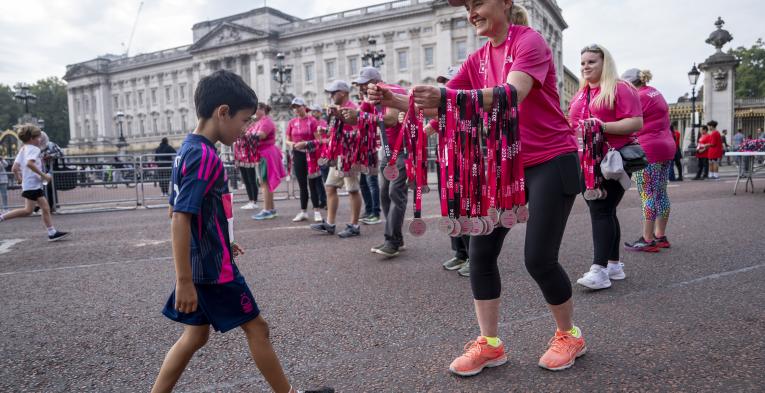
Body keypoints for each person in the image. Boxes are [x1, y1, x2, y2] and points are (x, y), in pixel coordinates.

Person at [371, 0, 586, 374]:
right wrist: (398, 100)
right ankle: (489, 344)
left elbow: (512, 94)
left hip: (552, 159)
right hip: (506, 164)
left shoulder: (529, 41)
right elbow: (442, 106)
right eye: (466, 5)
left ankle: (569, 334)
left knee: (538, 258)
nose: (470, 11)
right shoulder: (477, 59)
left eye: (477, 1)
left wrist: (446, 98)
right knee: (480, 253)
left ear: (505, 3)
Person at [151, 70, 332, 393]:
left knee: (195, 336)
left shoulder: (187, 150)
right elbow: (180, 217)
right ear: (223, 112)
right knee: (257, 328)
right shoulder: (206, 156)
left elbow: (179, 209)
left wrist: (224, 240)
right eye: (244, 120)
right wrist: (184, 281)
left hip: (204, 261)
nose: (245, 128)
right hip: (212, 270)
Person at [569, 45, 643, 289]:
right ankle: (613, 265)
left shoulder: (620, 88)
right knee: (606, 210)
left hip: (612, 159)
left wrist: (602, 126)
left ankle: (599, 269)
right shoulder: (581, 93)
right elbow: (573, 126)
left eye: (591, 62)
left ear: (605, 63)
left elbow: (635, 122)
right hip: (585, 160)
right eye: (582, 63)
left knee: (600, 210)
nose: (585, 67)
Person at [345, 66, 406, 255]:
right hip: (387, 151)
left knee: (395, 194)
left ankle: (392, 242)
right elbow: (356, 120)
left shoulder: (392, 91)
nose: (361, 88)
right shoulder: (370, 99)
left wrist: (361, 115)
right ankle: (395, 239)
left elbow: (391, 120)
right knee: (384, 194)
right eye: (359, 85)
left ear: (375, 82)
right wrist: (343, 115)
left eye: (364, 84)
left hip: (403, 149)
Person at [621, 69, 675, 252]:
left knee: (647, 194)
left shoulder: (638, 97)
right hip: (666, 146)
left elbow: (626, 122)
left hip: (648, 149)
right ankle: (660, 236)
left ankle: (647, 239)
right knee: (661, 192)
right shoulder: (654, 92)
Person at [429, 65, 472, 276]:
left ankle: (474, 255)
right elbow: (426, 129)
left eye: (449, 82)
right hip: (444, 162)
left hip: (464, 163)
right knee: (450, 208)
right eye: (444, 83)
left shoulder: (469, 106)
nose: (444, 87)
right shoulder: (442, 112)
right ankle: (460, 252)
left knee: (465, 208)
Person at [310, 80, 364, 239]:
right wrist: (325, 130)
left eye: (333, 93)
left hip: (349, 154)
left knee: (353, 190)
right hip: (338, 154)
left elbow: (357, 130)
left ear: (343, 93)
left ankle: (354, 226)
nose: (331, 96)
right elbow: (338, 131)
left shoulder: (352, 108)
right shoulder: (337, 109)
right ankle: (330, 223)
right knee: (330, 187)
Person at [0, 124, 69, 241]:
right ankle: (51, 232)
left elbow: (14, 168)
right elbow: (29, 164)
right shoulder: (34, 149)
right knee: (29, 211)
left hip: (30, 185)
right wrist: (44, 176)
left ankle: (52, 232)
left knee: (43, 208)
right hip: (33, 185)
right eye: (38, 137)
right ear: (32, 138)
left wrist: (19, 179)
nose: (40, 139)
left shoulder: (23, 149)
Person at [286, 97, 323, 223]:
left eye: (298, 106)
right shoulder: (291, 122)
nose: (296, 109)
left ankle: (317, 210)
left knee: (312, 184)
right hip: (298, 154)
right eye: (294, 107)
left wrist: (306, 143)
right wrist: (291, 144)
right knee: (302, 185)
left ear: (304, 106)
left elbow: (319, 140)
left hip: (311, 154)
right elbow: (287, 139)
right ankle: (303, 211)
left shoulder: (312, 121)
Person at [251, 103, 287, 220]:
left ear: (262, 110)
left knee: (264, 182)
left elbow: (261, 135)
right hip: (264, 153)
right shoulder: (259, 122)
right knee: (265, 182)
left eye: (255, 109)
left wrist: (248, 134)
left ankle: (267, 210)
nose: (254, 112)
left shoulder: (266, 121)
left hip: (266, 154)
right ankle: (271, 209)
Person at [309, 105, 329, 209]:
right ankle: (322, 200)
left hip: (323, 153)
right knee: (317, 179)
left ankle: (328, 201)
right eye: (312, 111)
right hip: (314, 154)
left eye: (315, 111)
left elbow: (325, 139)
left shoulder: (324, 123)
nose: (313, 113)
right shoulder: (311, 123)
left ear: (320, 113)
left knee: (325, 179)